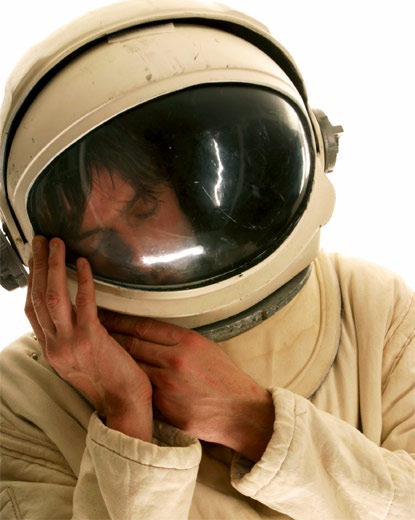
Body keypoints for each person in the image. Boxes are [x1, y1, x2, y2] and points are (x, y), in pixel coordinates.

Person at [0, 1, 413, 519]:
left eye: (144, 209)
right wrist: (125, 414)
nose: (140, 254)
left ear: (190, 189)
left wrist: (251, 420)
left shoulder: (368, 308)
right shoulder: (24, 398)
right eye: (98, 238)